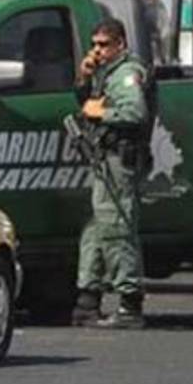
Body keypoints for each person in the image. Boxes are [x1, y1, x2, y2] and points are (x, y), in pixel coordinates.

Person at [70, 18, 151, 330]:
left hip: (120, 159)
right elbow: (87, 99)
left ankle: (130, 303)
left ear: (120, 45)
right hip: (104, 159)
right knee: (95, 229)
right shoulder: (106, 73)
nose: (97, 51)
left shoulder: (127, 74)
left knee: (117, 226)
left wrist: (101, 113)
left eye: (104, 45)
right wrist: (84, 77)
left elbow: (135, 112)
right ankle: (87, 300)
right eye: (95, 44)